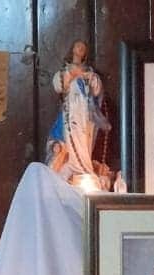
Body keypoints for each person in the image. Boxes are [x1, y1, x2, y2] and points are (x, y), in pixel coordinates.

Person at [46, 40, 109, 179]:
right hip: (72, 111)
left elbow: (97, 90)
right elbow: (58, 86)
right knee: (71, 138)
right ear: (72, 49)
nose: (80, 48)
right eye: (78, 46)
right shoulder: (64, 71)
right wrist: (71, 74)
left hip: (86, 114)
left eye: (83, 47)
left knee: (84, 140)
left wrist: (90, 77)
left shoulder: (89, 72)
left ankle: (83, 170)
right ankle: (77, 169)